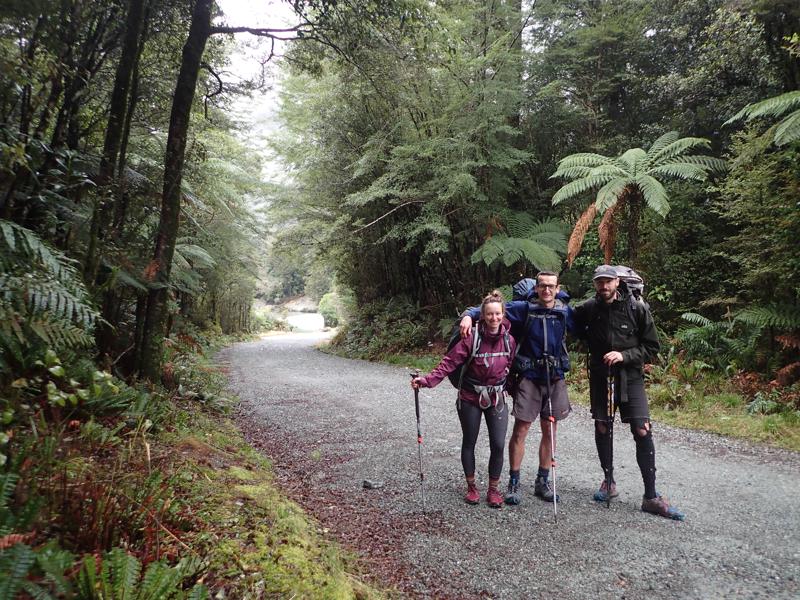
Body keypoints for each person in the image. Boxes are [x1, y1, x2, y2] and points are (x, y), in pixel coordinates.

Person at [574, 264, 684, 520]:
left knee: (641, 428)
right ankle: (608, 481)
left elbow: (652, 347)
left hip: (630, 377)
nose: (604, 286)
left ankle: (651, 496)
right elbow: (571, 322)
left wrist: (624, 355)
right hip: (601, 377)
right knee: (603, 426)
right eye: (599, 282)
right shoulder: (590, 308)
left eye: (608, 282)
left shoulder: (637, 308)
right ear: (595, 284)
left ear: (617, 282)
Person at [459, 271, 573, 506]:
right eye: (543, 286)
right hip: (530, 377)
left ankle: (542, 481)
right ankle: (514, 481)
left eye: (551, 286)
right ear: (537, 287)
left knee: (550, 430)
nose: (547, 290)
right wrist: (468, 316)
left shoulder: (564, 311)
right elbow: (492, 309)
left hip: (556, 377)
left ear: (558, 288)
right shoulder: (524, 308)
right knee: (521, 430)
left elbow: (586, 326)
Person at [411, 290, 516, 508]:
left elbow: (511, 368)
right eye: (489, 314)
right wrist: (427, 380)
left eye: (497, 314)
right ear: (483, 316)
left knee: (498, 444)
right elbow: (449, 362)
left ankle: (493, 490)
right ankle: (471, 487)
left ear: (503, 315)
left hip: (497, 398)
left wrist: (512, 390)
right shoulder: (472, 339)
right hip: (470, 397)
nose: (494, 318)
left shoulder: (509, 340)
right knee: (470, 441)